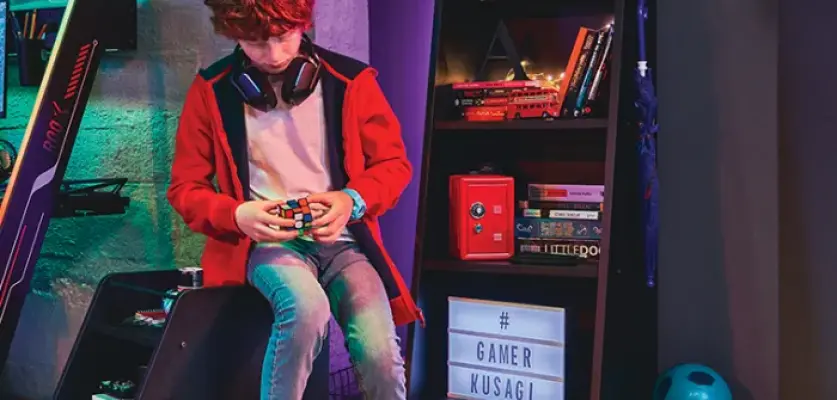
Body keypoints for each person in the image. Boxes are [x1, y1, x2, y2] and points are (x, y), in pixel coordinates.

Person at [166, 1, 423, 398]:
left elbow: (393, 165)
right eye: (255, 43)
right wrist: (237, 214)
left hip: (343, 243)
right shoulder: (211, 91)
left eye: (284, 38)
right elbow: (185, 188)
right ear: (234, 35)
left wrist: (351, 201)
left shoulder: (352, 82)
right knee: (306, 311)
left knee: (381, 355)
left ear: (303, 23)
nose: (274, 55)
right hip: (268, 245)